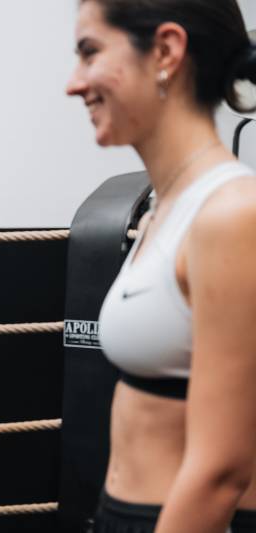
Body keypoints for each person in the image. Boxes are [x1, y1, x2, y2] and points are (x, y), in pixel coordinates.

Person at [66, 1, 256, 532]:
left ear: (167, 51)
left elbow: (222, 472)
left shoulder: (232, 214)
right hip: (122, 512)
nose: (74, 83)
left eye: (90, 52)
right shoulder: (165, 208)